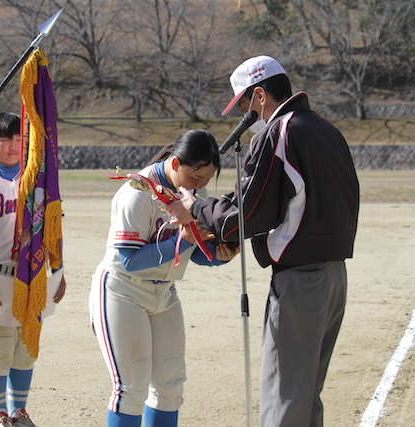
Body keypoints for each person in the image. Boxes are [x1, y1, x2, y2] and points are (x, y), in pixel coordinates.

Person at [164, 56, 360, 427]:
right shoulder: (325, 128)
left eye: (242, 105)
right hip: (334, 275)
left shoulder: (279, 131)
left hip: (301, 280)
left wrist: (198, 207)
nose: (243, 114)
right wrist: (247, 237)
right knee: (305, 394)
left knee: (284, 393)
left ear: (259, 95)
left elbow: (247, 213)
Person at [89, 129, 240, 427]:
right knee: (131, 389)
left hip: (165, 291)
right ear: (175, 164)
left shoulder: (193, 195)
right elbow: (131, 261)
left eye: (207, 181)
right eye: (196, 178)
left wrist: (218, 254)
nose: (200, 187)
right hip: (122, 291)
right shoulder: (137, 192)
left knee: (170, 386)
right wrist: (184, 240)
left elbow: (194, 252)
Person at [0, 112, 66, 427]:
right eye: (5, 138)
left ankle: (19, 411)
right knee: (0, 347)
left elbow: (52, 229)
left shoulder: (37, 183)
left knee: (25, 347)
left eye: (20, 138)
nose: (14, 144)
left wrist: (57, 271)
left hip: (33, 277)